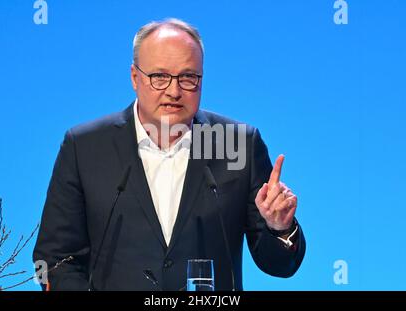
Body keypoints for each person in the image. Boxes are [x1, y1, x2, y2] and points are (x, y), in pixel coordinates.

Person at [33, 18, 306, 291]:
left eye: (188, 78)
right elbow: (54, 260)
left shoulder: (237, 144)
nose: (174, 91)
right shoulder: (85, 147)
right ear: (135, 77)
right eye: (160, 77)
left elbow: (279, 265)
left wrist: (279, 228)